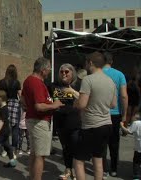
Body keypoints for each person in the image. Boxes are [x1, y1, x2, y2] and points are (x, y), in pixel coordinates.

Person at [73, 52, 116, 180]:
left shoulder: (88, 79)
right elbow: (113, 104)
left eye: (86, 62)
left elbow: (82, 104)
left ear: (90, 62)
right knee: (98, 160)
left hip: (91, 125)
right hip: (106, 124)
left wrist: (76, 103)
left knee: (79, 161)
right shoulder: (111, 81)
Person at [21, 57, 64, 180]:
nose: (50, 71)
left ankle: (32, 177)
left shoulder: (28, 80)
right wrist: (54, 105)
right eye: (49, 69)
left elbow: (23, 99)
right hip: (39, 121)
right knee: (40, 155)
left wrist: (27, 107)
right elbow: (39, 106)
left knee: (34, 154)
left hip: (32, 119)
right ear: (43, 70)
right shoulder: (37, 83)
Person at [49, 63, 81, 180]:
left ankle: (77, 170)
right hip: (61, 121)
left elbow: (84, 100)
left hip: (76, 122)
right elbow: (56, 99)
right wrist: (72, 94)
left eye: (67, 72)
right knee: (66, 147)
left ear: (72, 73)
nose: (64, 74)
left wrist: (72, 92)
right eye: (62, 72)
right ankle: (68, 169)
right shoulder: (54, 85)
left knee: (76, 146)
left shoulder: (79, 84)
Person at [102, 52, 128, 177]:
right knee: (114, 142)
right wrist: (124, 114)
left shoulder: (96, 74)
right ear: (111, 62)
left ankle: (102, 168)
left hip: (100, 113)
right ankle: (113, 168)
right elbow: (123, 96)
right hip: (115, 113)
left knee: (101, 141)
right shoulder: (119, 74)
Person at [0, 64, 22, 157]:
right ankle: (14, 150)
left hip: (4, 104)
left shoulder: (1, 82)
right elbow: (20, 95)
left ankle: (5, 150)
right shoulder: (17, 82)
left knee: (5, 128)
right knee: (15, 128)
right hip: (15, 105)